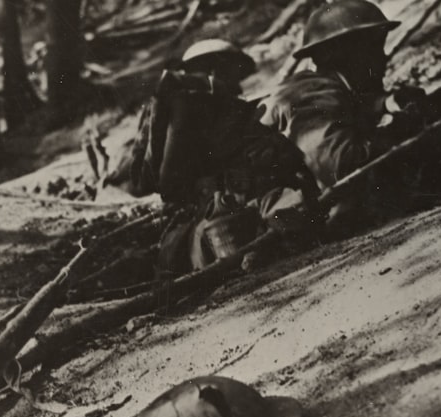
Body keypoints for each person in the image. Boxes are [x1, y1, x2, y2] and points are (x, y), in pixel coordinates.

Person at [129, 39, 320, 275]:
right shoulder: (199, 111)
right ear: (215, 69)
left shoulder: (181, 111)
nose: (238, 85)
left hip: (208, 224)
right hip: (226, 220)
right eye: (233, 73)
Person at [260, 0, 425, 229]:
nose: (383, 57)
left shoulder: (325, 88)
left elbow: (352, 106)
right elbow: (343, 168)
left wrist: (386, 103)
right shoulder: (311, 94)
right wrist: (400, 129)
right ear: (338, 54)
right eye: (373, 47)